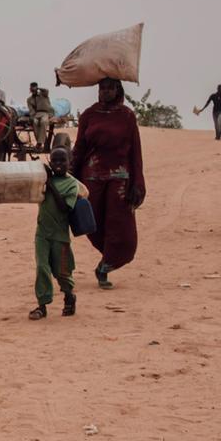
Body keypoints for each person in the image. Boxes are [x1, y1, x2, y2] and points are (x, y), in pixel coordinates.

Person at [70, 76, 145, 289]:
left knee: (121, 226)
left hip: (120, 178)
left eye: (110, 88)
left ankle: (106, 265)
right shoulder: (89, 115)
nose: (106, 92)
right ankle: (108, 255)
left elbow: (135, 152)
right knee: (91, 223)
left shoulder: (127, 116)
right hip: (91, 177)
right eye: (102, 88)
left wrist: (138, 183)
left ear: (118, 90)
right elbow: (79, 149)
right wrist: (70, 179)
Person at [30, 145, 82, 320]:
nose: (58, 164)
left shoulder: (71, 184)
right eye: (54, 160)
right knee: (42, 267)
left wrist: (50, 184)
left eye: (62, 160)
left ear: (70, 162)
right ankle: (42, 305)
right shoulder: (43, 180)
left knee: (62, 273)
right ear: (49, 162)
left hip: (60, 236)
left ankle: (69, 295)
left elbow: (64, 208)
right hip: (42, 233)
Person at [25, 81, 54, 150]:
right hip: (37, 114)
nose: (33, 90)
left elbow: (46, 90)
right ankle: (40, 142)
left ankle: (39, 143)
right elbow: (31, 109)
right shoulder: (29, 99)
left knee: (43, 122)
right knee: (34, 122)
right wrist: (32, 116)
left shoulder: (43, 94)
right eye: (31, 88)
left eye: (34, 88)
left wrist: (38, 88)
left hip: (46, 113)